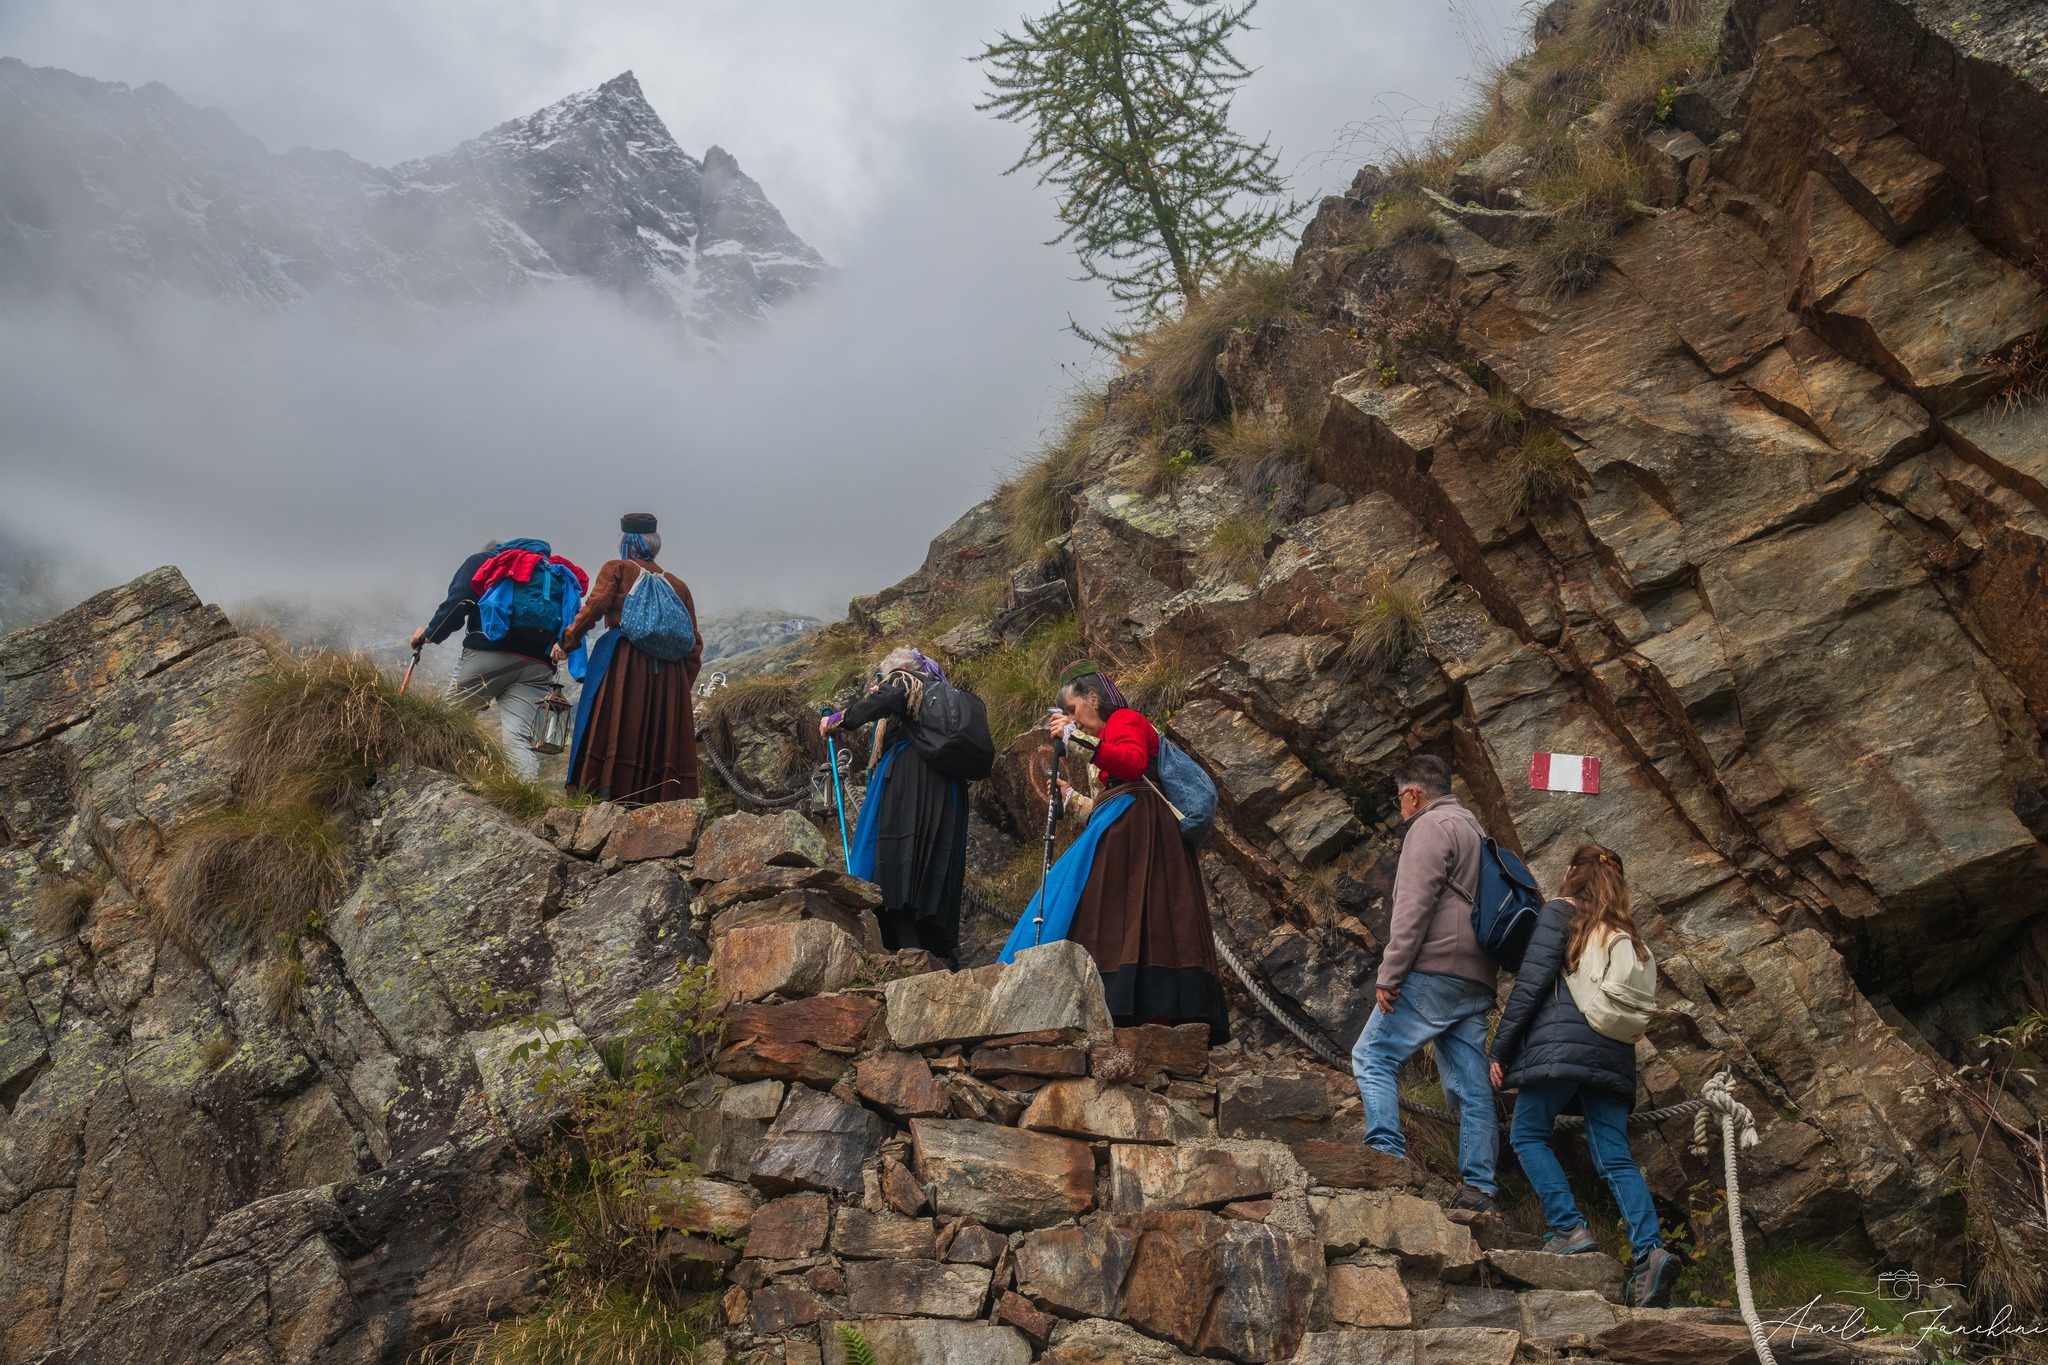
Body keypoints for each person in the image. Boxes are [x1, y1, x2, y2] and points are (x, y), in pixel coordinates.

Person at [996, 660, 1229, 1045]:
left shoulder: (1126, 720)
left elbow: (1134, 764)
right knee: (1134, 911)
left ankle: (1097, 995)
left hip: (1141, 829)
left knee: (1090, 902)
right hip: (1132, 827)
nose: (1076, 718)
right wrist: (1070, 797)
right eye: (1069, 715)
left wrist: (1077, 737)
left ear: (1093, 697)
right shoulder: (1111, 736)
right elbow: (1115, 790)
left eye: (1074, 710)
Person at [1489, 843, 1678, 1307]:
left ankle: (1568, 1226)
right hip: (1614, 1057)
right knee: (1615, 1157)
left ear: (1572, 871)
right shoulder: (1625, 933)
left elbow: (1531, 984)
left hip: (1561, 1047)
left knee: (1528, 1133)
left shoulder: (1560, 913)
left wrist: (1500, 1049)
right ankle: (1650, 1254)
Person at [1350, 753, 1500, 1214]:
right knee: (1473, 1087)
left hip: (1435, 971)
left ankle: (1386, 1158)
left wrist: (1390, 974)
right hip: (1478, 979)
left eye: (1400, 799)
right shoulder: (1477, 830)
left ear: (1414, 793)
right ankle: (1480, 1188)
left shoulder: (1430, 828)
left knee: (1372, 1055)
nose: (1400, 810)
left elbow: (1412, 909)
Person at [822, 647, 969, 961]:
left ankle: (905, 942)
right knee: (928, 858)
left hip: (908, 778)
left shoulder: (906, 679)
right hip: (947, 786)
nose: (881, 684)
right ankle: (937, 947)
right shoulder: (945, 693)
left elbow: (879, 703)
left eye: (883, 678)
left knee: (890, 853)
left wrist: (835, 720)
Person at [555, 514, 703, 803]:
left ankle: (604, 793)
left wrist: (567, 642)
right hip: (669, 675)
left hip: (624, 661)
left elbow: (594, 608)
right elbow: (694, 646)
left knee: (617, 725)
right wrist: (679, 690)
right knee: (658, 740)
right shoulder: (678, 585)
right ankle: (654, 799)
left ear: (627, 542)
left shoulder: (618, 568)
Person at [413, 537, 588, 780]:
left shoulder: (484, 561)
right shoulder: (552, 572)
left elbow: (459, 601)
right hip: (538, 665)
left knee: (448, 720)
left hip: (489, 651)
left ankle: (431, 780)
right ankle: (526, 799)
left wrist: (430, 634)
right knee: (517, 738)